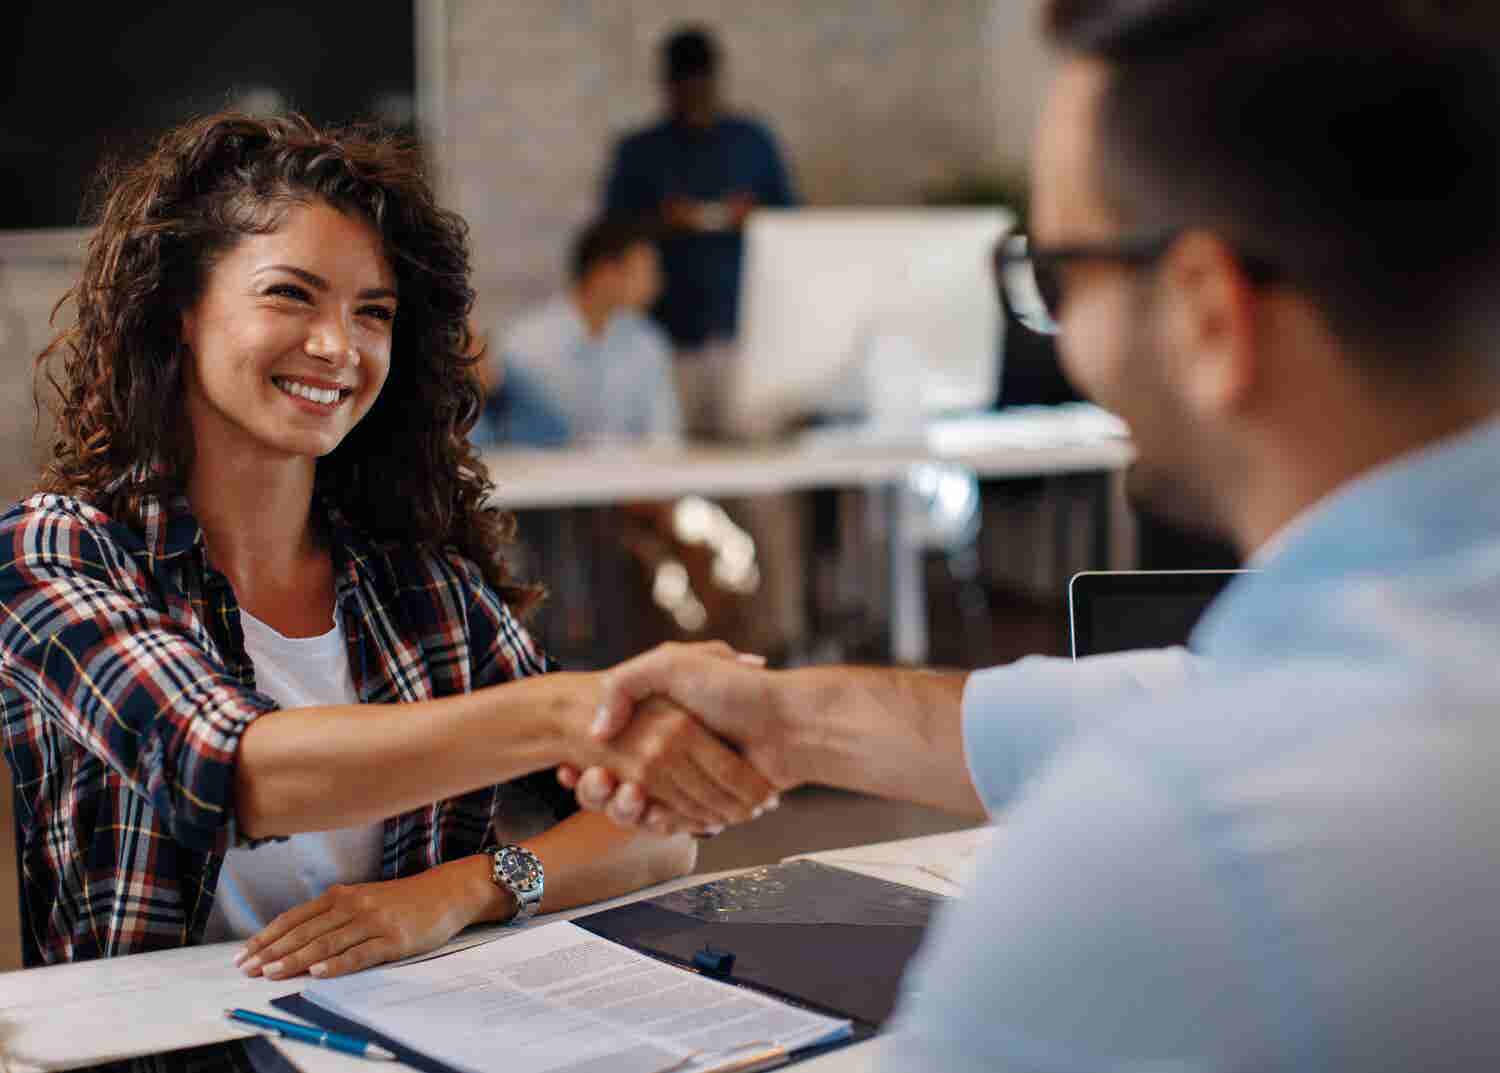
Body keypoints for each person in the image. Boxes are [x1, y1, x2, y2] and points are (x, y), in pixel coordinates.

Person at [564, 3, 1500, 1068]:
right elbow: (1162, 698)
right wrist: (787, 720)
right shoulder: (1396, 670)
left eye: (1057, 276)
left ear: (1206, 313)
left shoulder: (1169, 849)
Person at [0, 112, 778, 998]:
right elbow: (231, 770)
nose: (340, 346)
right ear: (180, 309)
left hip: (406, 1040)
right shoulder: (56, 551)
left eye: (372, 312)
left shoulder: (423, 588)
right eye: (291, 295)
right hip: (171, 1048)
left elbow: (658, 830)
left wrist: (456, 892)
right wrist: (568, 711)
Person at [475, 216, 681, 447]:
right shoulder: (524, 343)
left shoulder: (647, 342)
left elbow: (663, 435)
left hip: (633, 469)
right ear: (604, 272)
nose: (655, 285)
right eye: (645, 273)